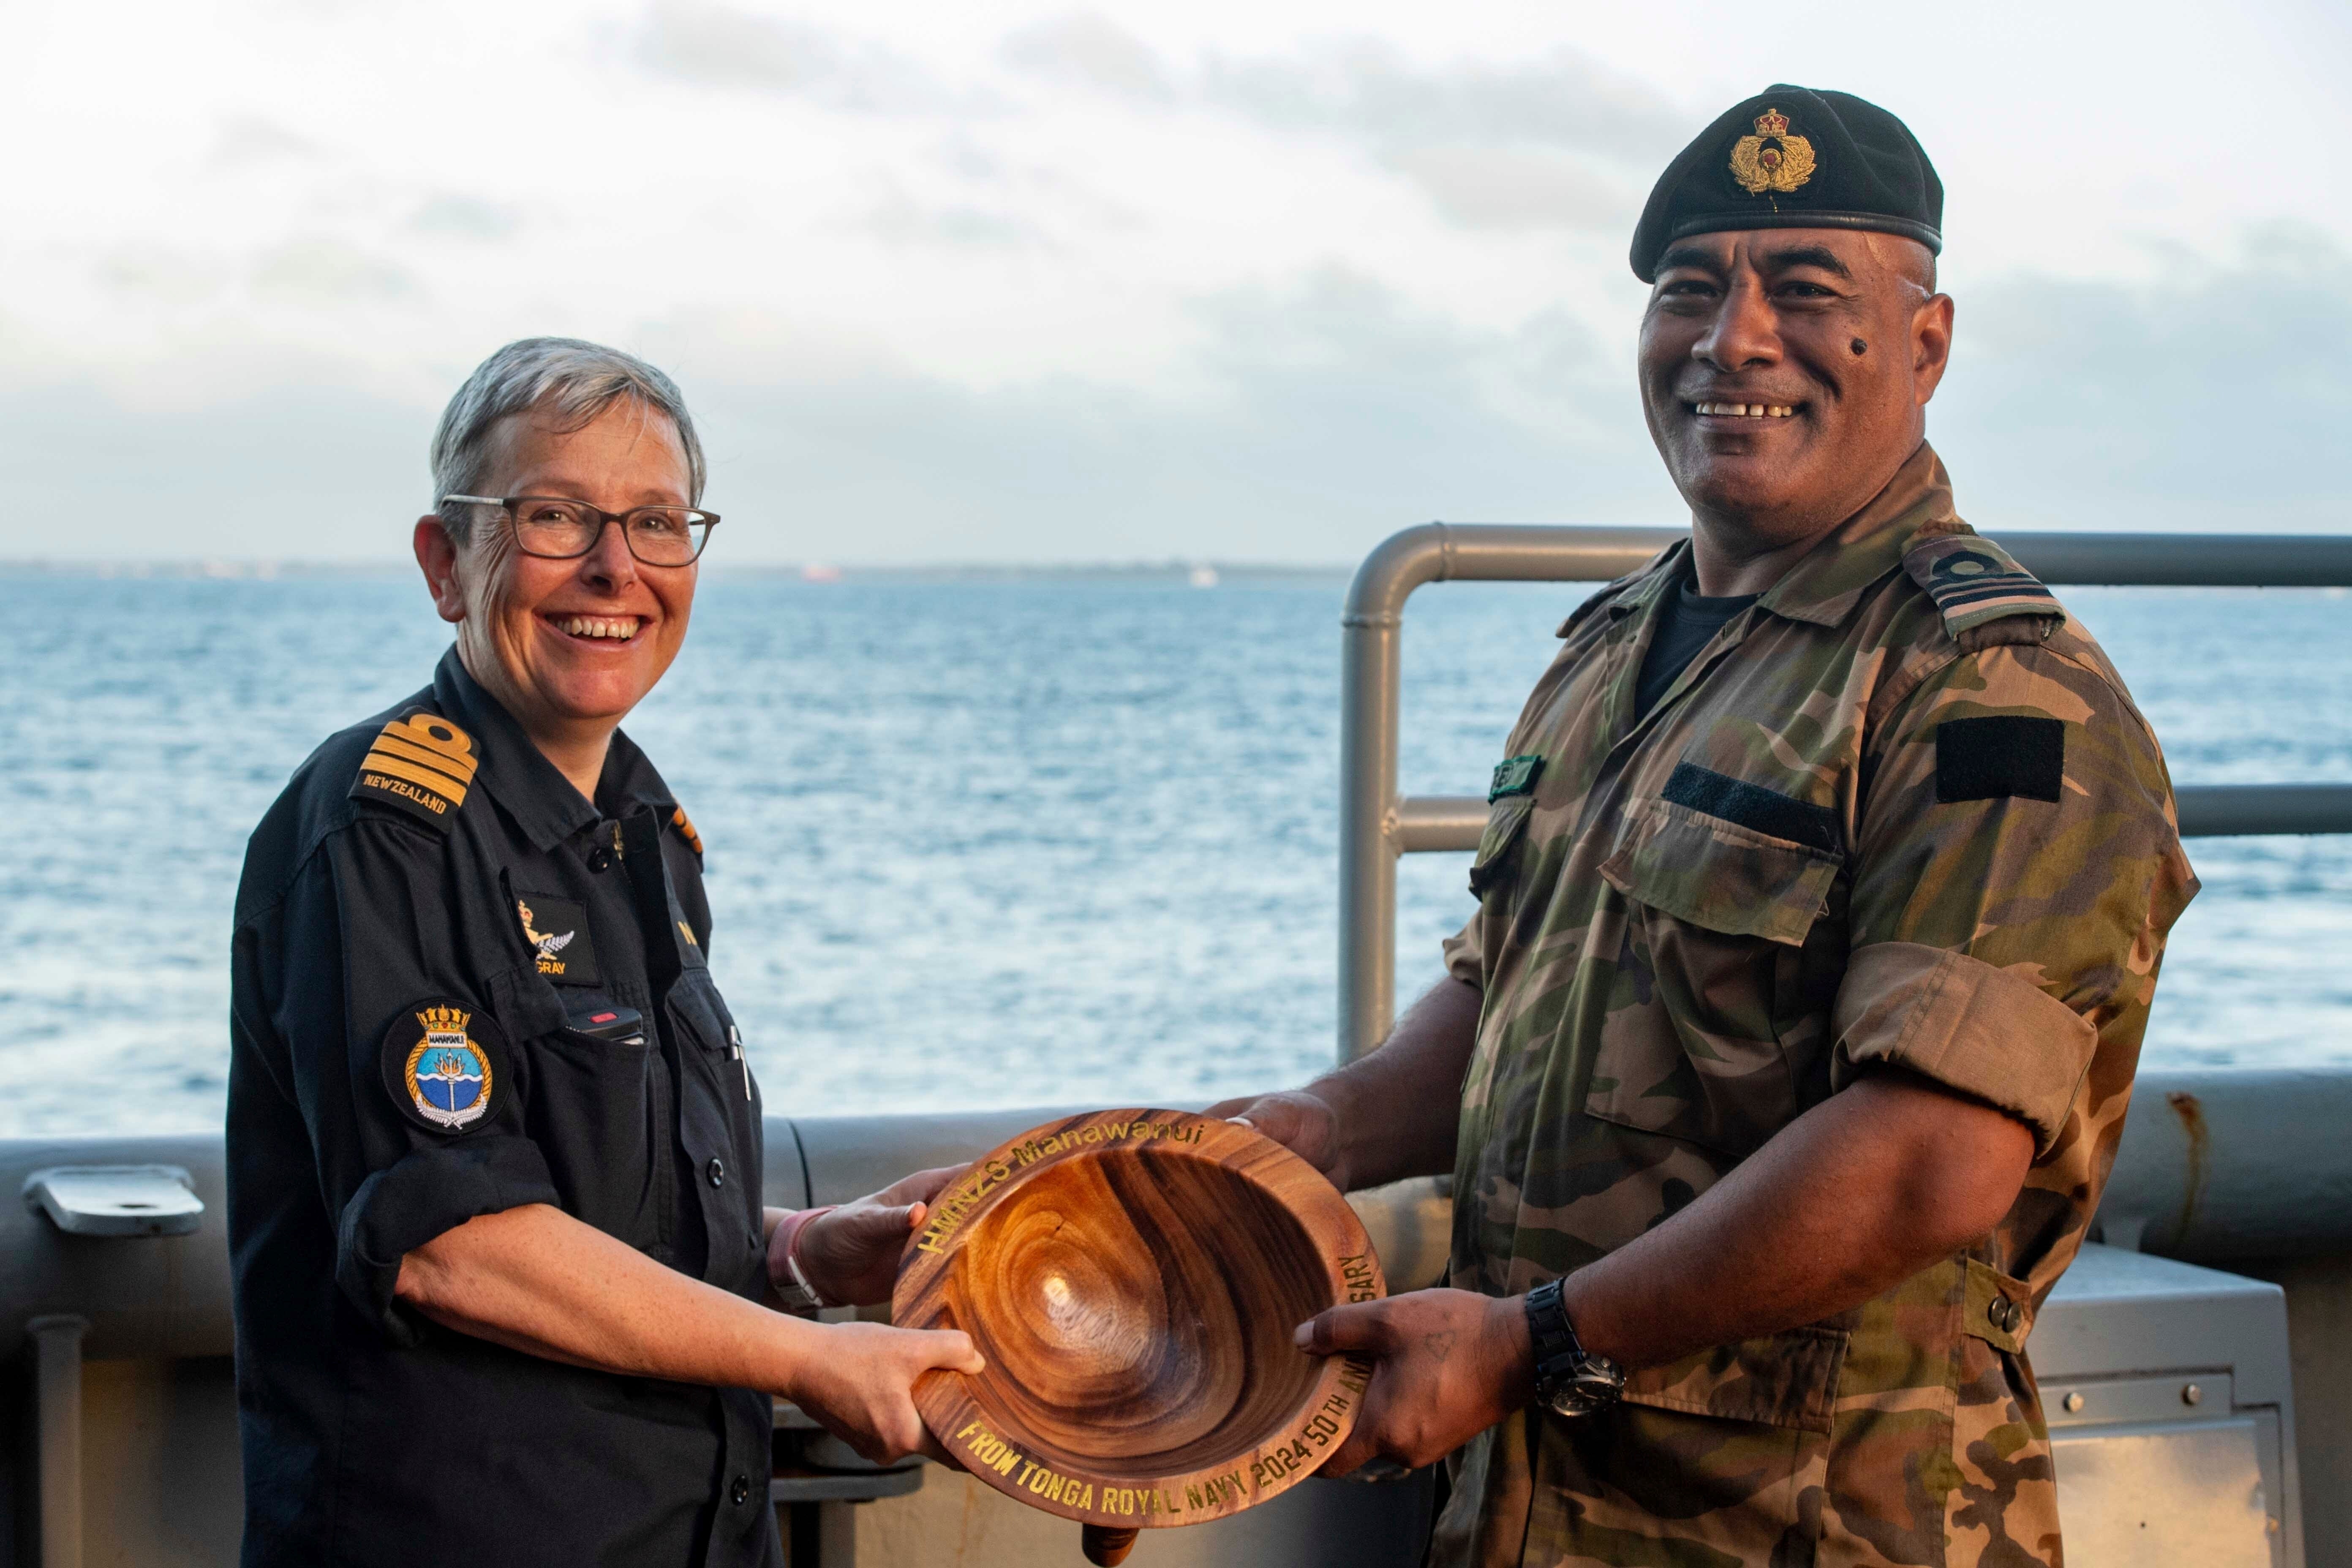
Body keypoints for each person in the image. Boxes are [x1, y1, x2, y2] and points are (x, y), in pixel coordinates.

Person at [1216, 88, 2197, 1565]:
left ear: (1926, 345)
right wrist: (1321, 1129)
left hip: (1817, 1522)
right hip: (1535, 1511)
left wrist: (1523, 1345)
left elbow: (1936, 1152)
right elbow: (1513, 992)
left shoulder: (1991, 687)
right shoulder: (1615, 645)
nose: (1734, 339)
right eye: (1691, 290)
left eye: (1806, 291)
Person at [226, 338, 983, 1568]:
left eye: (655, 521)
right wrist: (813, 1361)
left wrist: (798, 1256)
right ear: (445, 563)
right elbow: (453, 1243)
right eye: (556, 516)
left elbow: (602, 1201)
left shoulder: (643, 835)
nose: (615, 568)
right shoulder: (382, 831)